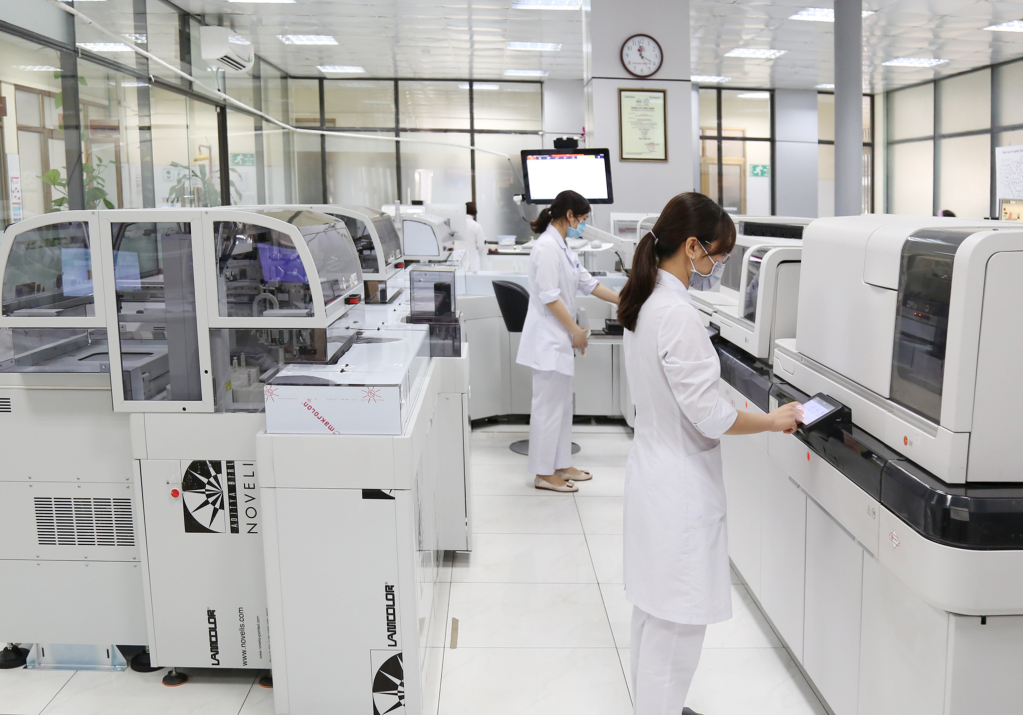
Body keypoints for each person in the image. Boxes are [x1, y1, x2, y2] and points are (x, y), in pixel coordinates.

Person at [616, 192, 803, 714]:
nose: (717, 265)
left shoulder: (646, 299)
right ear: (692, 246)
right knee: (677, 624)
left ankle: (656, 706)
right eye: (717, 255)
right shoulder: (676, 314)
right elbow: (712, 416)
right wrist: (772, 420)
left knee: (655, 615)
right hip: (678, 489)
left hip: (654, 473)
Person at [516, 190, 621, 492]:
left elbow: (588, 282)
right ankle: (543, 472)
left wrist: (623, 299)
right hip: (548, 341)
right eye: (583, 220)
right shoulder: (547, 248)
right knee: (548, 408)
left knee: (562, 407)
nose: (583, 226)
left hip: (558, 341)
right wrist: (575, 330)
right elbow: (550, 297)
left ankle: (560, 464)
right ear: (570, 215)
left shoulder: (563, 247)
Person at [464, 201, 488, 271]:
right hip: (472, 258)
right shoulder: (476, 226)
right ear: (475, 212)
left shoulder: (457, 225)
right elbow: (481, 246)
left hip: (458, 258)